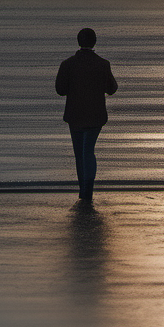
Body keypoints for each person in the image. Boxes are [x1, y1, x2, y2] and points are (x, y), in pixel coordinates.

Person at [55, 27, 118, 200]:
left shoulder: (68, 64)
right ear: (94, 42)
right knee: (88, 151)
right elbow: (112, 89)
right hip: (96, 116)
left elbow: (60, 90)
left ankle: (84, 190)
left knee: (79, 154)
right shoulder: (103, 64)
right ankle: (87, 189)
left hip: (75, 115)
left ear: (78, 41)